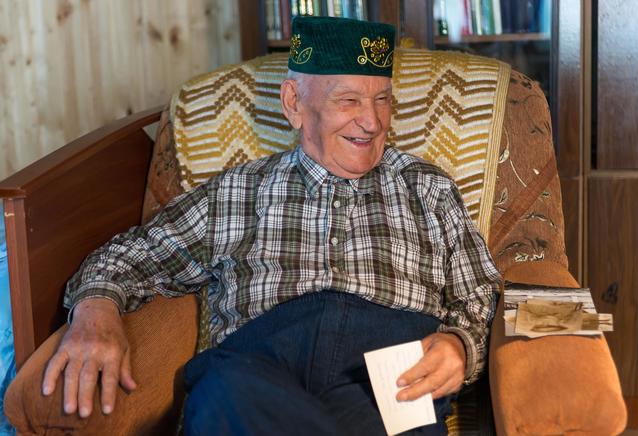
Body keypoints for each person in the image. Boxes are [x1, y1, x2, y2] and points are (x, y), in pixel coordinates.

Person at [42, 16, 500, 435]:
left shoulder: (427, 187)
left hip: (388, 383)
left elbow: (479, 291)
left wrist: (459, 345)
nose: (372, 121)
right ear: (294, 103)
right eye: (349, 101)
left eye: (383, 100)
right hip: (259, 372)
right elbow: (132, 256)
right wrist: (96, 310)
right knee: (223, 390)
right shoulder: (237, 190)